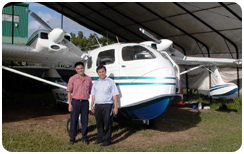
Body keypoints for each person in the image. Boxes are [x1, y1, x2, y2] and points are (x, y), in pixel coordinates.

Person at [91, 65, 119, 147]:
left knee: (108, 123)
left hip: (107, 105)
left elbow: (114, 95)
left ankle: (107, 141)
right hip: (98, 105)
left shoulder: (111, 82)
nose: (101, 73)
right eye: (100, 72)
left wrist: (115, 106)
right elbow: (93, 95)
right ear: (97, 73)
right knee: (99, 123)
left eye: (103, 71)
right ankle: (100, 138)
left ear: (105, 72)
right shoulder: (95, 83)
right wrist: (92, 105)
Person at [66, 62, 92, 145]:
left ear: (84, 68)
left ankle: (84, 138)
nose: (80, 70)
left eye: (81, 68)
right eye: (78, 69)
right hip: (75, 102)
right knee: (74, 120)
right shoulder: (72, 79)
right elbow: (69, 92)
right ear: (75, 70)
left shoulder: (88, 79)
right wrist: (70, 104)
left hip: (85, 102)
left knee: (85, 121)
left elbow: (91, 91)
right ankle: (72, 138)